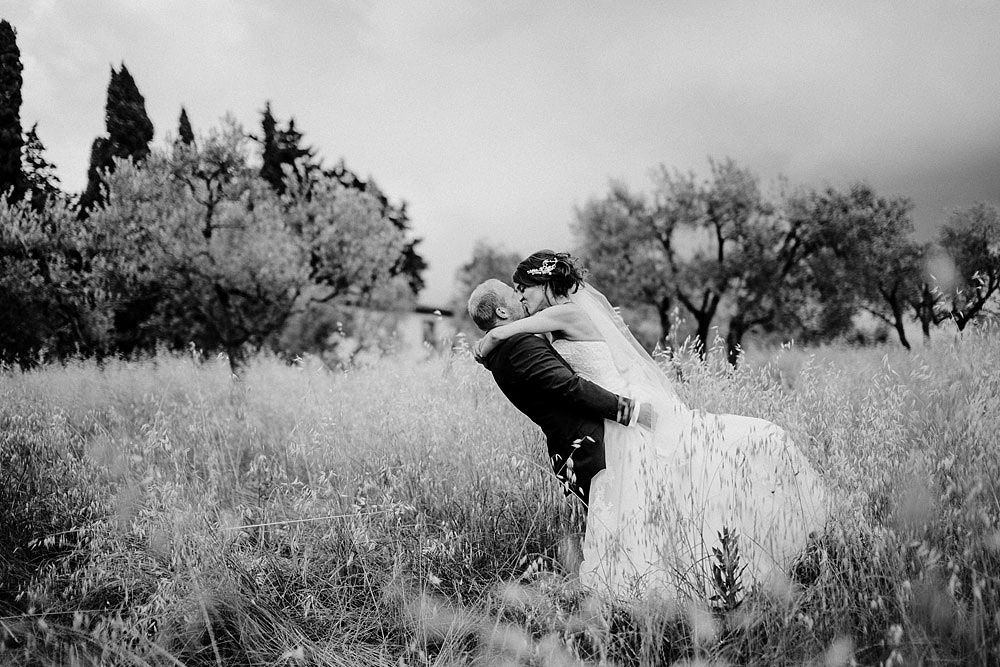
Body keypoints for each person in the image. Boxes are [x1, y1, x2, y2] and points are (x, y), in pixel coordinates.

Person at [474, 251, 830, 600]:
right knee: (658, 489)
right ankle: (675, 565)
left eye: (524, 288)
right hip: (613, 414)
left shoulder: (565, 312)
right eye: (516, 291)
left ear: (545, 282)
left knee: (678, 475)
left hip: (625, 409)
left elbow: (517, 331)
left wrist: (488, 339)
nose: (521, 296)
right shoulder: (556, 319)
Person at [467, 278, 655, 506]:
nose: (519, 295)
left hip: (577, 449)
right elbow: (570, 387)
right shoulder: (518, 345)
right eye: (512, 292)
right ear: (502, 311)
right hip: (591, 446)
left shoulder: (500, 350)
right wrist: (631, 411)